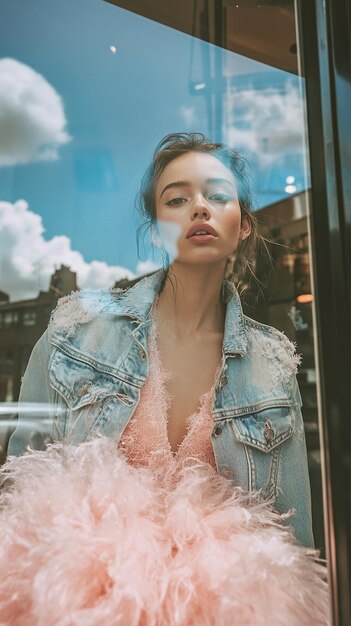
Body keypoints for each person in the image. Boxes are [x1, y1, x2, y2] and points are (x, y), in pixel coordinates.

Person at [2, 133, 329, 625]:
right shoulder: (79, 330)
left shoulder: (269, 362)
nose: (199, 207)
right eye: (176, 199)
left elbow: (292, 541)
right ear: (156, 231)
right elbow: (20, 500)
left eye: (218, 195)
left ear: (244, 226)